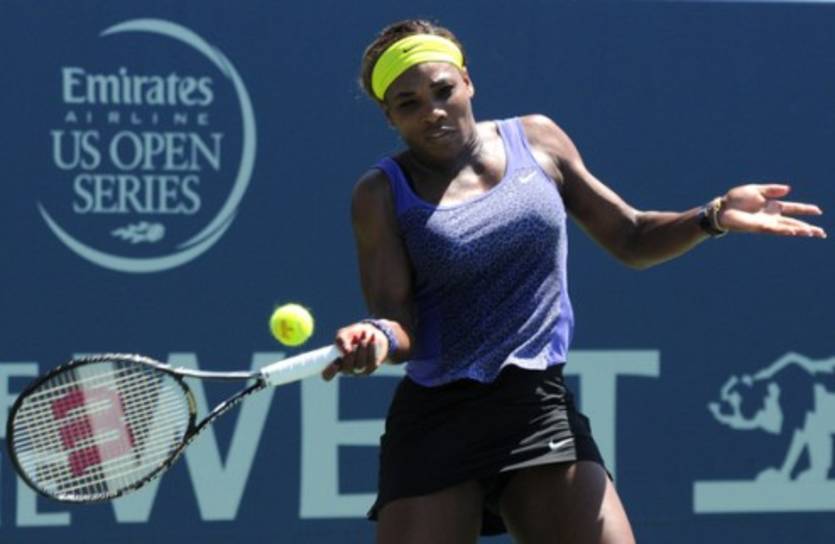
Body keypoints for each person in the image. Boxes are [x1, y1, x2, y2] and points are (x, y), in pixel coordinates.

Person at [320, 19, 827, 544]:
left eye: (443, 90)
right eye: (408, 104)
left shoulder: (537, 139)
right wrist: (376, 337)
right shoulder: (380, 193)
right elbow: (397, 319)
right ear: (390, 116)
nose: (433, 111)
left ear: (467, 81)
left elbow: (631, 236)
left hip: (536, 405)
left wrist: (713, 216)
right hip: (438, 422)